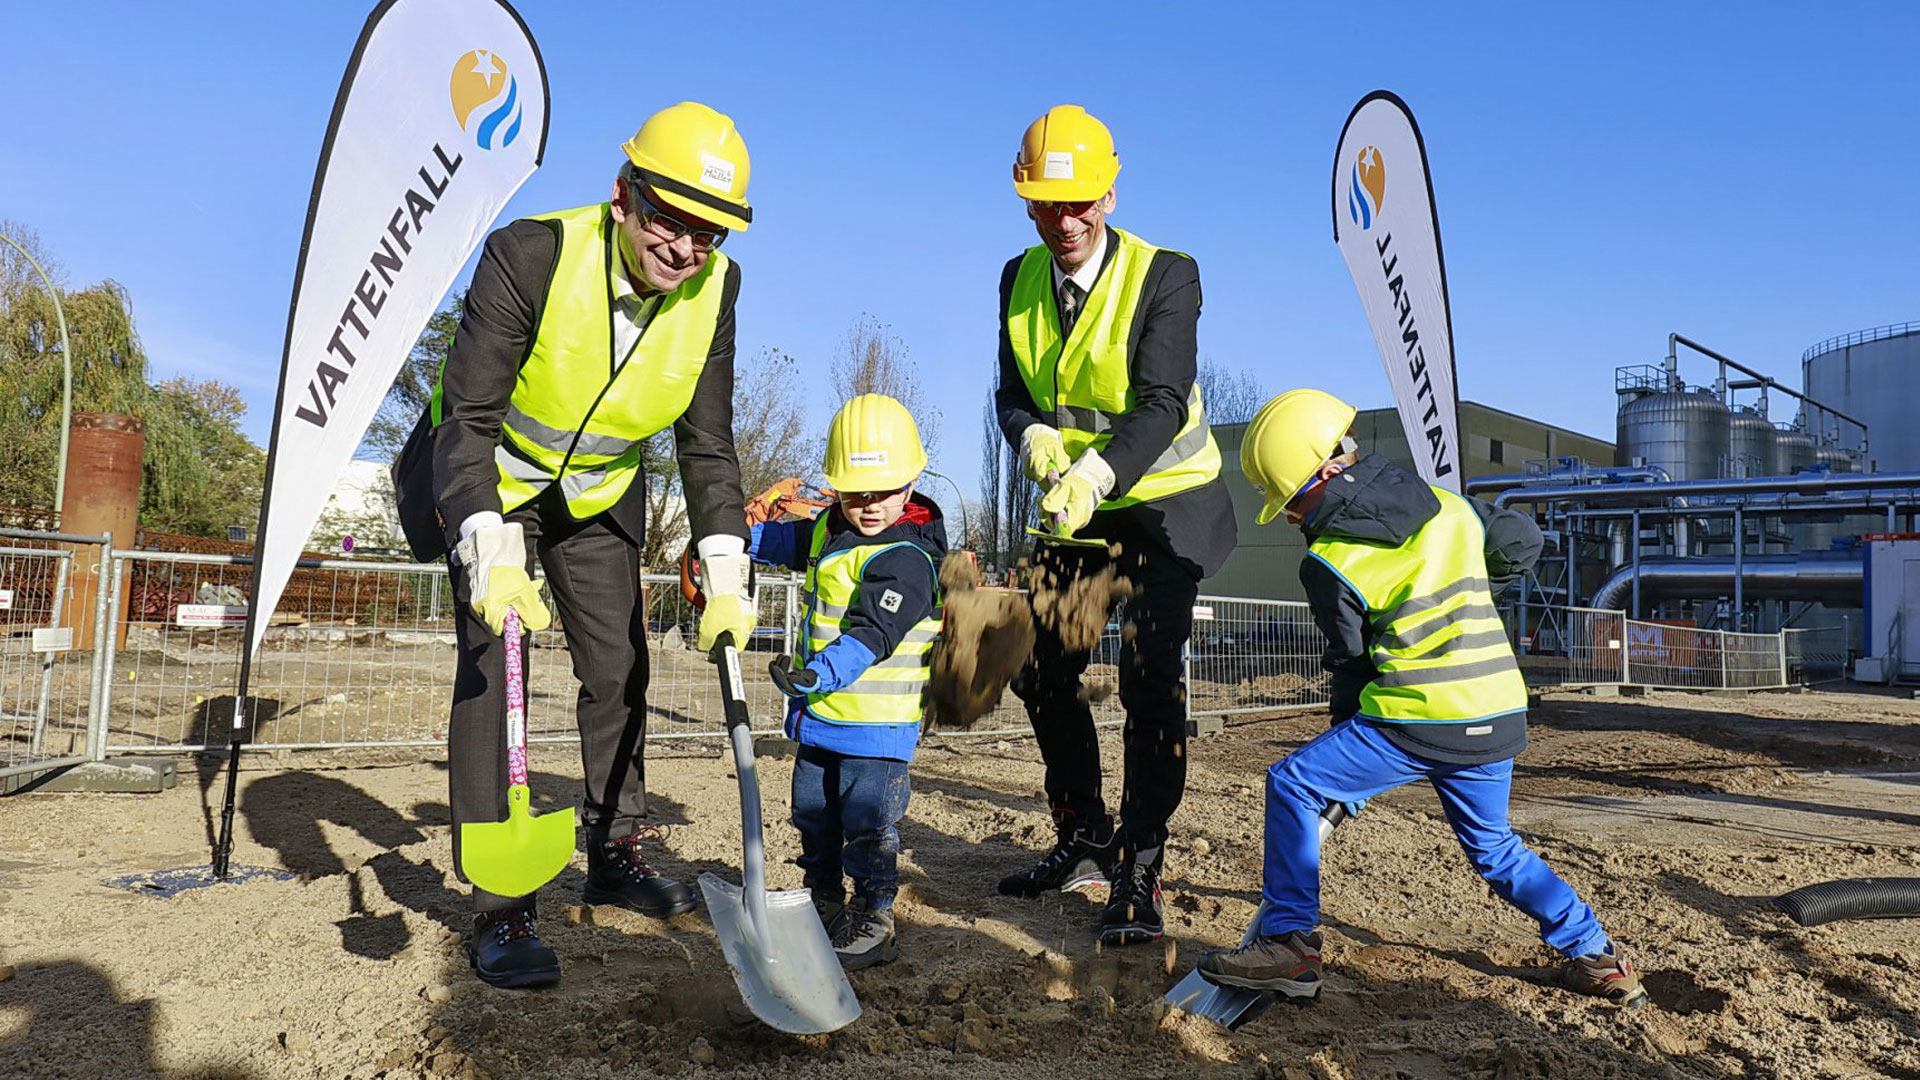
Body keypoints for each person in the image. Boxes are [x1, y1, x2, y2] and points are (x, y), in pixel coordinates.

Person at [393, 102, 758, 989]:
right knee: (496, 663)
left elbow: (706, 445)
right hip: (491, 481)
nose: (685, 248)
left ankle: (615, 847)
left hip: (596, 492)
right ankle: (502, 901)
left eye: (706, 233)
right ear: (623, 195)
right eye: (669, 219)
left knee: (620, 663)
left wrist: (726, 562)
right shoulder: (532, 254)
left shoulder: (717, 290)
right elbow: (470, 418)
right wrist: (484, 538)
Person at [1198, 388, 1648, 1006]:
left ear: (1329, 472)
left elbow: (1353, 666)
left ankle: (1289, 945)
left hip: (1416, 717)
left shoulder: (1331, 560)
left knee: (1295, 784)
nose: (1292, 517)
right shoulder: (1449, 507)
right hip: (1496, 711)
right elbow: (1518, 544)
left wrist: (1341, 756)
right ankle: (1595, 954)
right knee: (1495, 848)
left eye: (1292, 501)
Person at [992, 104, 1237, 946]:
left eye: (1081, 202)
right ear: (1026, 200)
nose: (1066, 221)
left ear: (1109, 193)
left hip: (1166, 505)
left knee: (1147, 681)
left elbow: (1164, 401)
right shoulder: (1016, 278)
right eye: (1049, 204)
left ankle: (1140, 863)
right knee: (1044, 675)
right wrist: (1030, 441)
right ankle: (1085, 835)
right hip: (1076, 509)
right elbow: (1013, 396)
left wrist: (1097, 472)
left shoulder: (1169, 275)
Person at [748, 394, 946, 971]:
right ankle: (823, 899)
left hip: (876, 732)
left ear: (910, 485)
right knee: (812, 813)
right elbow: (781, 540)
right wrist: (725, 537)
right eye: (855, 493)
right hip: (821, 722)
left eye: (883, 492)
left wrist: (818, 674)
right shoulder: (828, 530)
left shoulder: (907, 557)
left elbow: (875, 631)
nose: (869, 505)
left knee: (867, 824)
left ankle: (874, 915)